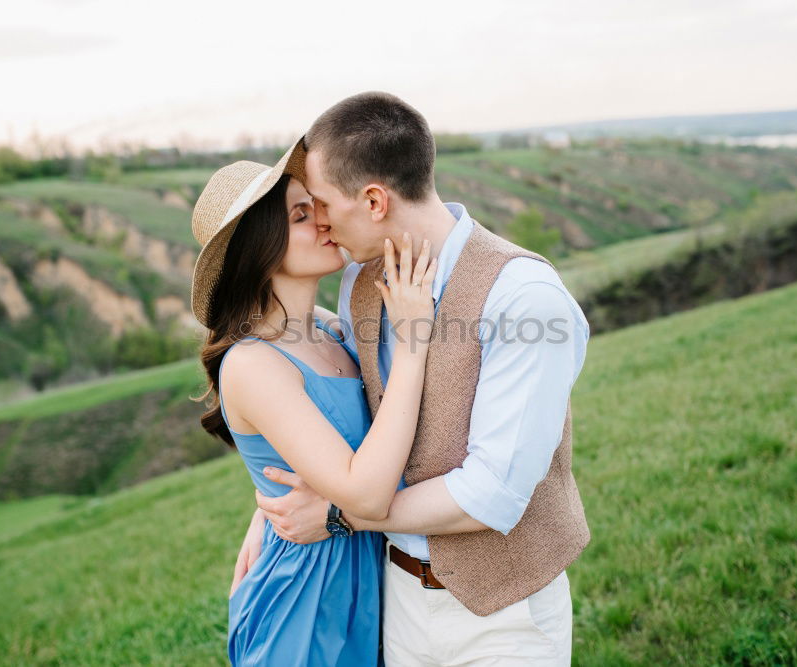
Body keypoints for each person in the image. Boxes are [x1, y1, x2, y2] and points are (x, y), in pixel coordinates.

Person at [236, 91, 592, 665]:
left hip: (505, 618)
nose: (320, 223)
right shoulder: (359, 282)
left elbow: (490, 495)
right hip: (395, 603)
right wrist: (274, 505)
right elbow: (341, 413)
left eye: (321, 204)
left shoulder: (525, 300)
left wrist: (334, 515)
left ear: (374, 200)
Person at [190, 139, 439, 665]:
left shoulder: (332, 327)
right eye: (302, 214)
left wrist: (261, 512)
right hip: (304, 594)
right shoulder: (254, 363)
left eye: (318, 207)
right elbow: (365, 496)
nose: (324, 221)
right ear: (260, 245)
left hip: (367, 573)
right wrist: (413, 343)